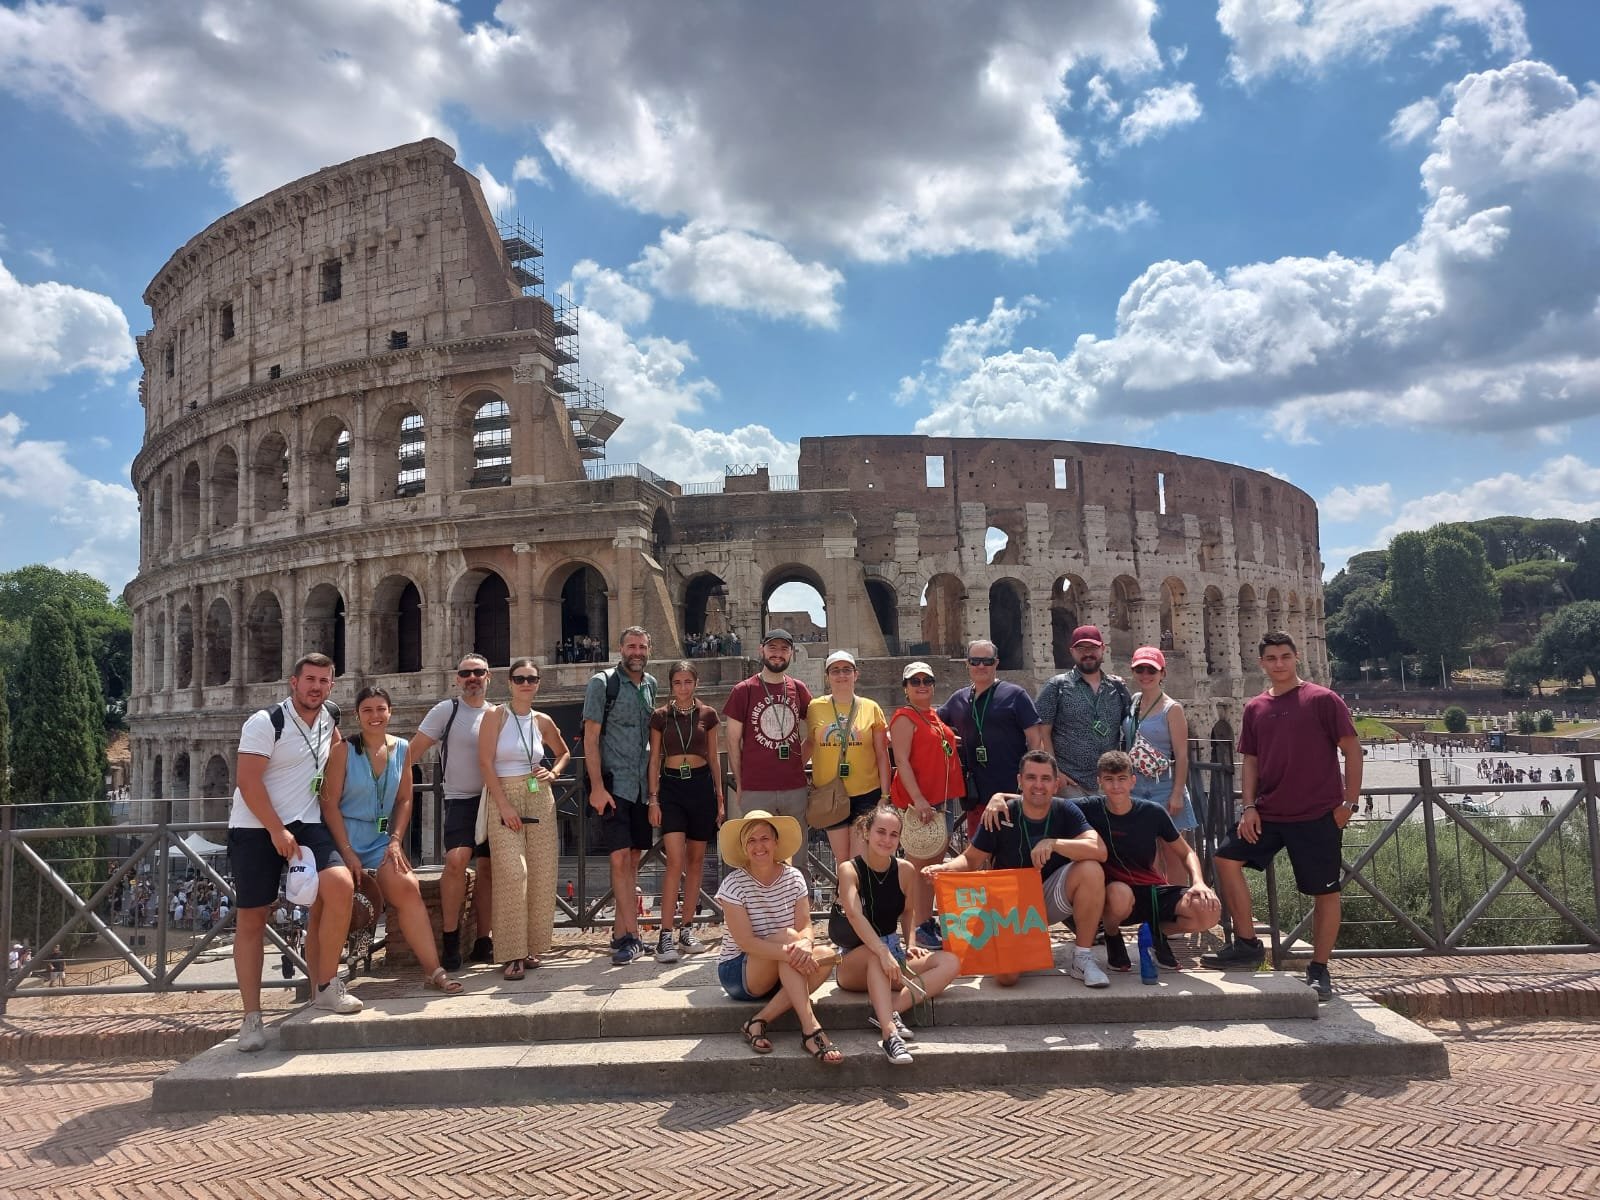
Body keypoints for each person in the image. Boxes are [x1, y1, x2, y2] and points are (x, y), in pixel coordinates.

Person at [1202, 631, 1362, 1003]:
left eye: (1285, 657)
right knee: (1226, 858)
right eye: (1271, 658)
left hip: (1317, 813)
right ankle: (1247, 942)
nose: (1278, 664)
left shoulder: (1323, 699)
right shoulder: (1256, 707)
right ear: (1262, 663)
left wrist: (1349, 804)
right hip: (1270, 812)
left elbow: (1352, 751)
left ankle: (1319, 969)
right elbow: (1252, 761)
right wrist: (1249, 805)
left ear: (1296, 658)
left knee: (1325, 892)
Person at [227, 653, 358, 1052]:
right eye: (310, 680)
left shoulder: (331, 717)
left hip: (306, 822)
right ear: (293, 682)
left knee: (341, 886)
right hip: (254, 825)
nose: (316, 687)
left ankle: (326, 985)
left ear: (331, 687)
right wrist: (275, 829)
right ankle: (251, 1018)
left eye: (323, 681)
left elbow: (333, 759)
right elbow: (248, 782)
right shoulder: (265, 722)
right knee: (252, 917)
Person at [320, 685, 463, 995]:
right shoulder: (343, 751)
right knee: (334, 895)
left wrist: (396, 840)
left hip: (379, 839)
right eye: (367, 710)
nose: (375, 716)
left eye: (380, 709)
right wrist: (346, 851)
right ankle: (325, 982)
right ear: (358, 715)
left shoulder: (402, 748)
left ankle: (433, 970)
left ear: (390, 712)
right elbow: (328, 805)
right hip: (341, 837)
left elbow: (404, 801)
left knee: (408, 888)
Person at [932, 749, 1109, 988]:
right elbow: (970, 859)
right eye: (1031, 777)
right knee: (1007, 978)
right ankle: (1022, 943)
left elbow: (1099, 850)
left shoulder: (1065, 810)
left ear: (1056, 784)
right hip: (1009, 907)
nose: (1038, 785)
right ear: (1019, 781)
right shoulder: (1001, 812)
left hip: (1047, 898)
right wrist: (943, 870)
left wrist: (1054, 844)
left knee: (1091, 869)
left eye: (1045, 778)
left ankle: (1082, 957)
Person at [1069, 751, 1221, 971]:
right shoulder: (1089, 807)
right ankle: (1112, 934)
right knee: (1120, 895)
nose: (1116, 786)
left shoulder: (1152, 812)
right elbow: (1046, 804)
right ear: (1099, 782)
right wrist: (1001, 798)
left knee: (1207, 911)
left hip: (1151, 890)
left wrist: (1198, 882)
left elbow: (1186, 852)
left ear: (1132, 781)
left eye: (1122, 779)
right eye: (1109, 780)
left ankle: (1155, 933)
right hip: (1114, 896)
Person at [833, 805, 961, 1064]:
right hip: (856, 960)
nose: (887, 839)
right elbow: (855, 915)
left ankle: (889, 1010)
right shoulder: (849, 869)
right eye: (881, 831)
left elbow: (909, 911)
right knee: (874, 956)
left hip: (893, 953)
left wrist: (910, 943)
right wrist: (882, 952)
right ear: (867, 832)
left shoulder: (905, 870)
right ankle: (890, 1035)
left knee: (950, 962)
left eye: (894, 834)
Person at [714, 810, 842, 1065]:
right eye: (751, 840)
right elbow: (746, 943)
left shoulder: (794, 877)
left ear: (775, 842)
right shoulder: (733, 884)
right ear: (743, 847)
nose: (759, 846)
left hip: (783, 961)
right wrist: (794, 947)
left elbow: (806, 926)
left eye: (764, 838)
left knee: (827, 956)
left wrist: (804, 943)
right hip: (739, 971)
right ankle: (810, 1028)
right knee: (789, 938)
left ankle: (758, 1021)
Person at [480, 659, 571, 979]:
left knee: (542, 873)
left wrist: (554, 772)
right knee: (512, 872)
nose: (526, 684)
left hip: (538, 796)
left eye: (531, 679)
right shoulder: (496, 715)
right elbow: (485, 762)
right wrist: (503, 805)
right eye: (520, 679)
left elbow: (563, 752)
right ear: (509, 683)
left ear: (538, 683)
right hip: (504, 795)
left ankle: (532, 947)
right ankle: (511, 952)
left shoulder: (541, 719)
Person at [405, 653, 495, 971]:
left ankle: (484, 940)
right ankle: (451, 937)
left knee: (488, 869)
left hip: (493, 800)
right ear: (457, 679)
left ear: (488, 678)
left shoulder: (497, 714)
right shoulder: (447, 710)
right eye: (466, 673)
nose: (472, 677)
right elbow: (413, 751)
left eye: (478, 672)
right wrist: (395, 790)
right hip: (459, 799)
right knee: (456, 861)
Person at [583, 627, 658, 966]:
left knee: (632, 862)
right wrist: (597, 786)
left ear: (649, 649)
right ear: (620, 648)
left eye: (642, 646)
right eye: (631, 646)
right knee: (618, 860)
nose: (637, 651)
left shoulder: (651, 685)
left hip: (641, 785)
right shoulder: (602, 683)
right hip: (614, 784)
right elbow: (590, 737)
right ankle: (634, 935)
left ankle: (620, 934)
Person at [646, 660, 724, 962]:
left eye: (687, 682)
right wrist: (653, 799)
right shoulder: (660, 716)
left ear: (696, 683)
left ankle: (687, 928)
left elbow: (715, 758)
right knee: (674, 861)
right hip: (672, 788)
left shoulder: (708, 714)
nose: (683, 687)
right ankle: (665, 935)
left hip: (702, 787)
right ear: (671, 685)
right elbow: (654, 760)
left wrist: (719, 798)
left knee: (696, 861)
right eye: (677, 682)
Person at [723, 630, 813, 883]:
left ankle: (799, 910)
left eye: (784, 649)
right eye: (772, 647)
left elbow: (816, 731)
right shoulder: (743, 690)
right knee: (756, 851)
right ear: (762, 650)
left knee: (798, 853)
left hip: (793, 785)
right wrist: (740, 783)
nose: (777, 653)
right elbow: (732, 740)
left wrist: (799, 762)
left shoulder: (799, 689)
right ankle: (759, 908)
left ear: (791, 654)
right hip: (756, 786)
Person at [938, 639, 1049, 843]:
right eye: (975, 661)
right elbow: (932, 724)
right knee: (979, 854)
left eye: (987, 661)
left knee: (1014, 851)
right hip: (976, 794)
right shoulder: (958, 699)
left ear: (996, 663)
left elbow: (1035, 741)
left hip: (1011, 793)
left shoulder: (1016, 695)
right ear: (967, 664)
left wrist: (1031, 782)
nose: (981, 666)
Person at [888, 661, 966, 940]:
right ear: (906, 689)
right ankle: (918, 927)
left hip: (941, 800)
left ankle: (926, 921)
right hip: (920, 803)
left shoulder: (932, 716)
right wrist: (920, 800)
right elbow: (901, 761)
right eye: (915, 681)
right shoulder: (904, 717)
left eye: (926, 681)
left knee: (933, 865)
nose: (922, 685)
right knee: (919, 866)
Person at [806, 650, 890, 871]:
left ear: (856, 674)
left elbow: (882, 754)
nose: (841, 675)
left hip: (866, 793)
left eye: (846, 670)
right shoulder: (815, 707)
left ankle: (854, 903)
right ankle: (844, 903)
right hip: (830, 795)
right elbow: (809, 744)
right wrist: (789, 772)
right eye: (835, 670)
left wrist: (885, 795)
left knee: (858, 860)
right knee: (842, 861)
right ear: (827, 676)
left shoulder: (871, 707)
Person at [1036, 625, 1133, 797]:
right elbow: (1042, 734)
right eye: (1081, 649)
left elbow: (1130, 729)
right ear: (1072, 651)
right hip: (1070, 783)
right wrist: (1055, 772)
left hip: (1109, 783)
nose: (1087, 653)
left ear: (1103, 649)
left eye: (1093, 648)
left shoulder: (1117, 688)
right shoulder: (1056, 686)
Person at [1125, 646, 1197, 848]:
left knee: (1172, 851)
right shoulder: (1133, 701)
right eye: (1140, 670)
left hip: (1164, 786)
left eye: (1151, 670)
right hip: (1136, 785)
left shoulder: (1172, 709)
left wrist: (1176, 795)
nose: (1145, 675)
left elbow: (1182, 756)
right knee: (1146, 851)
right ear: (1133, 672)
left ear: (1162, 673)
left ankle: (1180, 883)